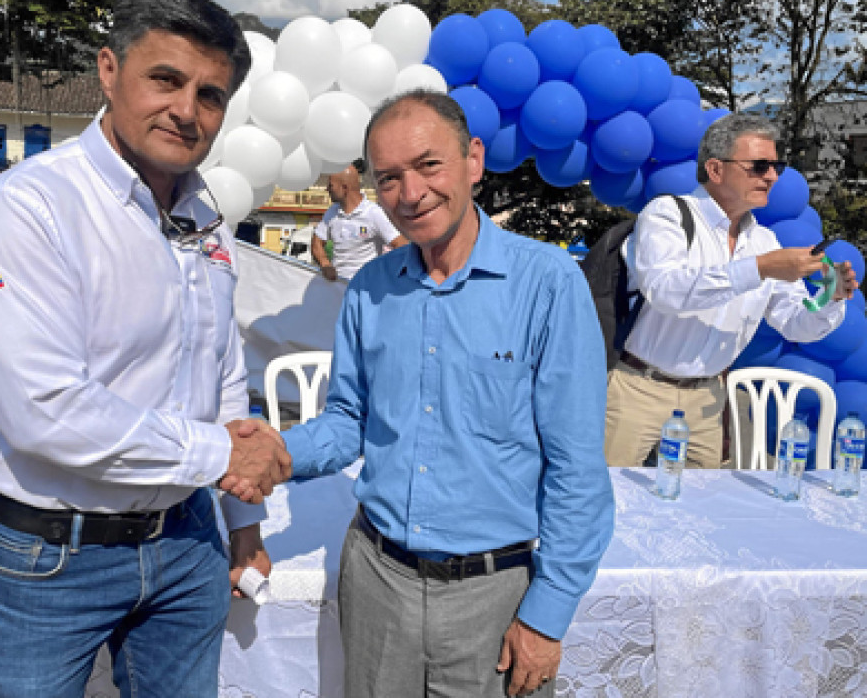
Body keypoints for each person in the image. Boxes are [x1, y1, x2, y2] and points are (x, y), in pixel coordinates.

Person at [0, 0, 289, 698]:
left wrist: (243, 520)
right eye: (165, 79)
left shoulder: (202, 218)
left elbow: (220, 370)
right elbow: (44, 410)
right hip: (50, 554)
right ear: (108, 69)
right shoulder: (27, 208)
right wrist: (226, 452)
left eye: (211, 94)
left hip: (186, 539)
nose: (186, 110)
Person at [248, 90, 614, 697]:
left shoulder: (547, 284)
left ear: (473, 159)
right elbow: (347, 420)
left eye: (428, 165)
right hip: (376, 581)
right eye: (389, 178)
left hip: (495, 593)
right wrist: (279, 454)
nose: (410, 193)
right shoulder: (368, 289)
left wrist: (546, 616)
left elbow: (576, 469)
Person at [605, 112, 859, 469]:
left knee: (700, 517)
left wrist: (831, 299)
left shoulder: (764, 241)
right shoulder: (668, 214)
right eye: (758, 165)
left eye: (776, 166)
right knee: (605, 506)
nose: (771, 176)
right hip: (638, 390)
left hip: (708, 401)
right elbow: (666, 290)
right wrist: (760, 268)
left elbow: (795, 324)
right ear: (715, 169)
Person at [311, 162, 407, 280]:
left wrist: (388, 276)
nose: (327, 189)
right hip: (338, 287)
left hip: (366, 289)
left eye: (331, 186)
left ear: (344, 188)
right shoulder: (332, 212)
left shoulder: (374, 213)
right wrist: (325, 265)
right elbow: (316, 243)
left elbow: (401, 245)